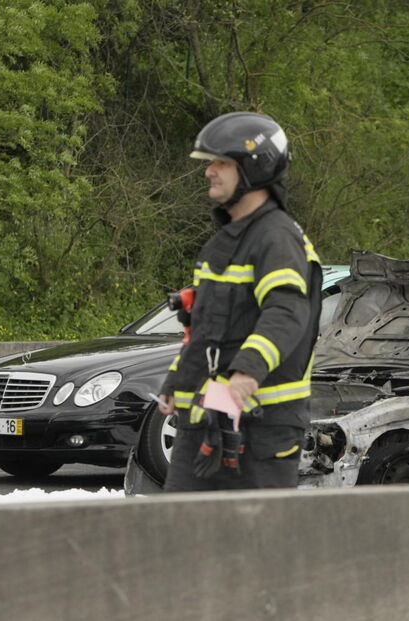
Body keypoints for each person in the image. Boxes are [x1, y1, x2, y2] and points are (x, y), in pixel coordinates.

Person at [157, 111, 322, 491]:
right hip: (206, 422)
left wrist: (246, 374)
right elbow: (205, 328)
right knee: (179, 524)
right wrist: (177, 380)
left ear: (254, 168)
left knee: (253, 530)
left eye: (221, 163)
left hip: (261, 429)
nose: (209, 171)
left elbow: (286, 311)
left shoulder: (277, 238)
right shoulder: (225, 242)